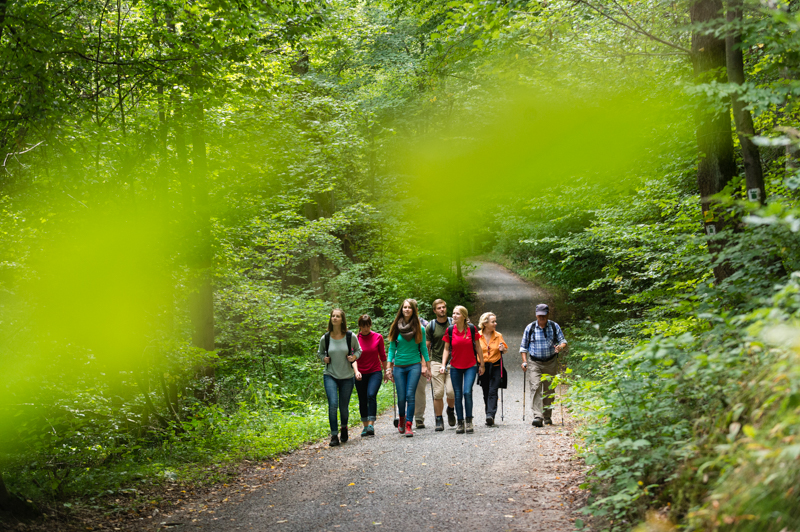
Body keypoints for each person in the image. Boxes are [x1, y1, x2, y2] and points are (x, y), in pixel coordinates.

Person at [386, 299, 431, 437]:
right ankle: (401, 419)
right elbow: (392, 348)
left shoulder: (420, 328)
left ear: (413, 310)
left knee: (410, 395)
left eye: (409, 307)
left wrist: (427, 366)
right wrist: (388, 368)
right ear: (402, 309)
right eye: (404, 307)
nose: (406, 309)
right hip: (399, 366)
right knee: (401, 397)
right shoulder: (395, 327)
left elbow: (423, 348)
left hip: (414, 365)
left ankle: (409, 425)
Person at [318, 308, 361, 446]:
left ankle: (344, 427)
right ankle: (334, 435)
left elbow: (359, 350)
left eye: (337, 316)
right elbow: (320, 353)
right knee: (333, 405)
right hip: (330, 374)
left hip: (347, 376)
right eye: (333, 316)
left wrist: (353, 357)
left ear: (342, 319)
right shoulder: (325, 338)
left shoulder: (350, 336)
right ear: (330, 319)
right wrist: (323, 358)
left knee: (343, 406)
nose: (335, 318)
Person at [520, 304, 567, 427]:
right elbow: (523, 347)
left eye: (544, 315)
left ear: (548, 314)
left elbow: (563, 341)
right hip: (534, 362)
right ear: (536, 314)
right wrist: (524, 361)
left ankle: (547, 415)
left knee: (549, 389)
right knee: (535, 386)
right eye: (539, 315)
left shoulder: (553, 326)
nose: (541, 317)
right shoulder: (530, 328)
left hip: (550, 362)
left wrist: (560, 347)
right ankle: (537, 416)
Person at [441, 305, 484, 434]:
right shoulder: (449, 330)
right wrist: (443, 365)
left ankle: (469, 420)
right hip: (455, 366)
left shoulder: (471, 329)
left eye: (457, 314)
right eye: (453, 313)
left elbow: (478, 347)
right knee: (457, 394)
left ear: (464, 316)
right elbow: (446, 349)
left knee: (467, 392)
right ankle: (460, 422)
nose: (454, 316)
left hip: (471, 365)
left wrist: (482, 364)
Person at [421, 298, 456, 431]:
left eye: (444, 307)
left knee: (452, 392)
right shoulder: (431, 326)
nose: (442, 309)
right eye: (439, 308)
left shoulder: (453, 323)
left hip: (453, 362)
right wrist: (425, 366)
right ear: (435, 310)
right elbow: (426, 347)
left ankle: (451, 411)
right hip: (436, 361)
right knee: (438, 393)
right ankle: (439, 419)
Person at [352, 314, 387, 437]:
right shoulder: (355, 339)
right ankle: (365, 426)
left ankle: (371, 424)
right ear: (360, 326)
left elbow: (383, 356)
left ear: (370, 325)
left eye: (367, 326)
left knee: (371, 395)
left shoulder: (378, 337)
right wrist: (356, 371)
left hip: (375, 371)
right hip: (360, 373)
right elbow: (353, 358)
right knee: (362, 398)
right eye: (363, 326)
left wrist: (386, 372)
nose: (365, 329)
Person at [477, 312, 508, 426]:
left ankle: (490, 415)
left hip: (496, 366)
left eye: (495, 321)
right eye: (493, 322)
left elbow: (505, 350)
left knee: (493, 391)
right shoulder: (477, 335)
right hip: (483, 367)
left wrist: (502, 348)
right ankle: (488, 414)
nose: (495, 323)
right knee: (486, 391)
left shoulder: (498, 335)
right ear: (485, 323)